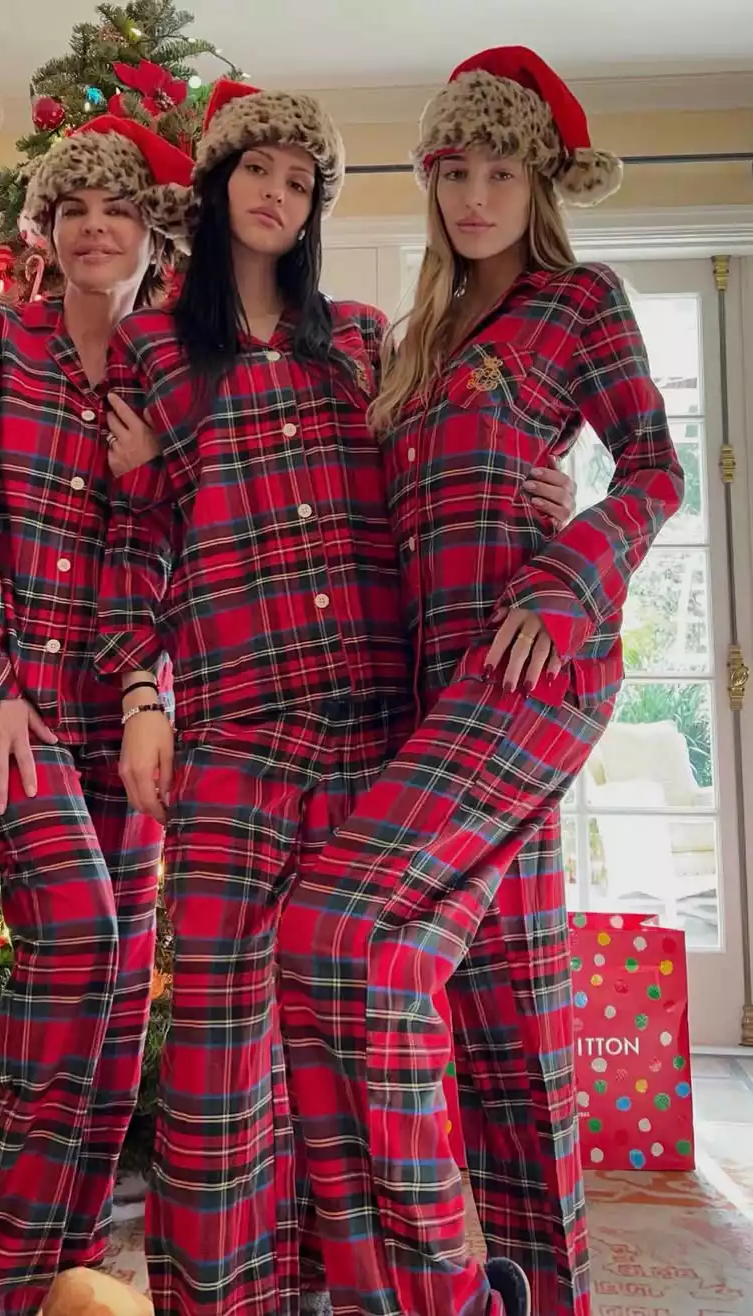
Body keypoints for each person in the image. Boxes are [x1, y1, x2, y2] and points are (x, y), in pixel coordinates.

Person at [94, 78, 577, 1316]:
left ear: (316, 206)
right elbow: (137, 547)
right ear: (215, 189)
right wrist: (144, 691)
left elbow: (443, 473)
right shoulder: (151, 353)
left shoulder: (364, 338)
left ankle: (387, 1293)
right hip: (241, 739)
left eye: (299, 180)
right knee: (215, 1060)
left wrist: (543, 506)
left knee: (367, 1052)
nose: (275, 193)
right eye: (255, 170)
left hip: (378, 730)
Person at [275, 46, 685, 1316]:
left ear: (537, 180)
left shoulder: (580, 300)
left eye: (499, 170)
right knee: (504, 1006)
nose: (472, 197)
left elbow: (657, 471)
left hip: (530, 666)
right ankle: (522, 1290)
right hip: (432, 695)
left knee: (336, 926)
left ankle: (434, 1286)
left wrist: (568, 570)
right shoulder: (412, 344)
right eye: (454, 168)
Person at [0, 115, 194, 1315]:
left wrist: (153, 476)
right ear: (45, 227)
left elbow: (169, 550)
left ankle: (65, 1268)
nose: (95, 227)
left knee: (121, 974)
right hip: (13, 713)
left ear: (149, 234)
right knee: (77, 937)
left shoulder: (165, 375)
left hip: (121, 714)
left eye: (118, 210)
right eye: (75, 207)